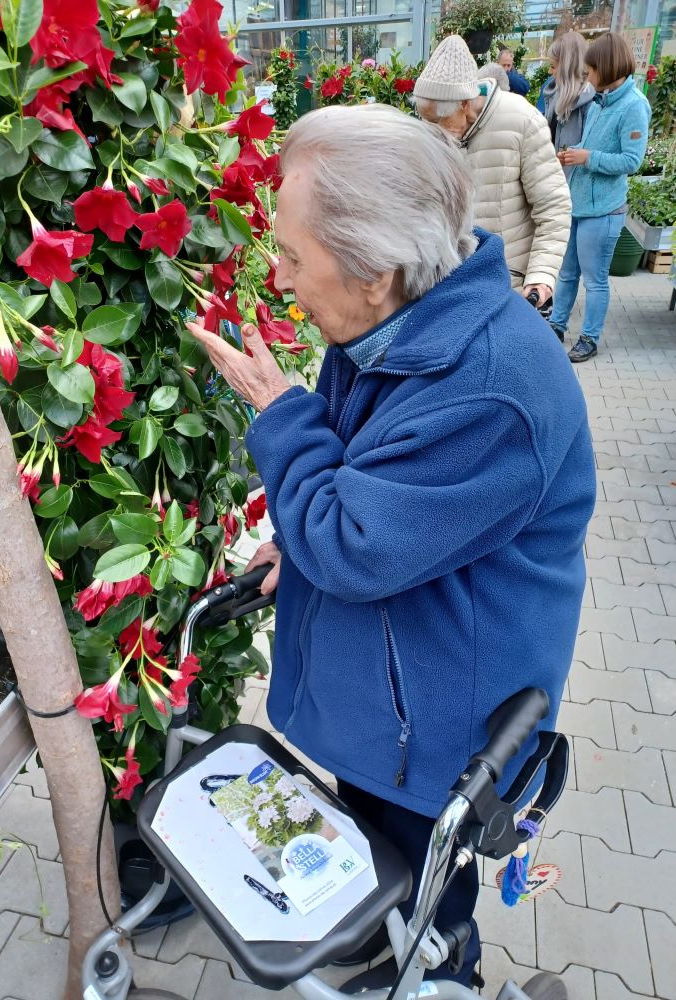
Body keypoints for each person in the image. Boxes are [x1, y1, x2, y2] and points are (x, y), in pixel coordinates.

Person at [185, 103, 596, 993]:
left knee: (421, 908)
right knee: (370, 879)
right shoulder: (395, 319)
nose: (279, 274)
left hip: (442, 734)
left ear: (376, 270)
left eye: (293, 256)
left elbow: (355, 539)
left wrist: (277, 412)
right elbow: (371, 484)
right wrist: (294, 543)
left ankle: (443, 977)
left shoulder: (490, 389)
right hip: (395, 698)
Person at [414, 35, 571, 311]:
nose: (433, 132)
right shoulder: (434, 136)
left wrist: (541, 276)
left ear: (465, 103)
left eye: (439, 121)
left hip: (510, 289)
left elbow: (553, 206)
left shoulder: (521, 121)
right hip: (454, 290)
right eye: (426, 121)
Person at [549, 31, 650, 361]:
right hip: (578, 206)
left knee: (594, 280)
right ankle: (556, 325)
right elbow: (592, 146)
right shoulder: (598, 102)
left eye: (590, 70)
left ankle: (589, 338)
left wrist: (587, 157)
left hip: (604, 211)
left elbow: (631, 161)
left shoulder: (634, 107)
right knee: (566, 273)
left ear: (606, 68)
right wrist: (573, 153)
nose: (586, 76)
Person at [542, 32, 595, 170]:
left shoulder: (592, 101)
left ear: (567, 67)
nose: (550, 71)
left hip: (573, 183)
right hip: (553, 178)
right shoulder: (554, 94)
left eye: (553, 66)